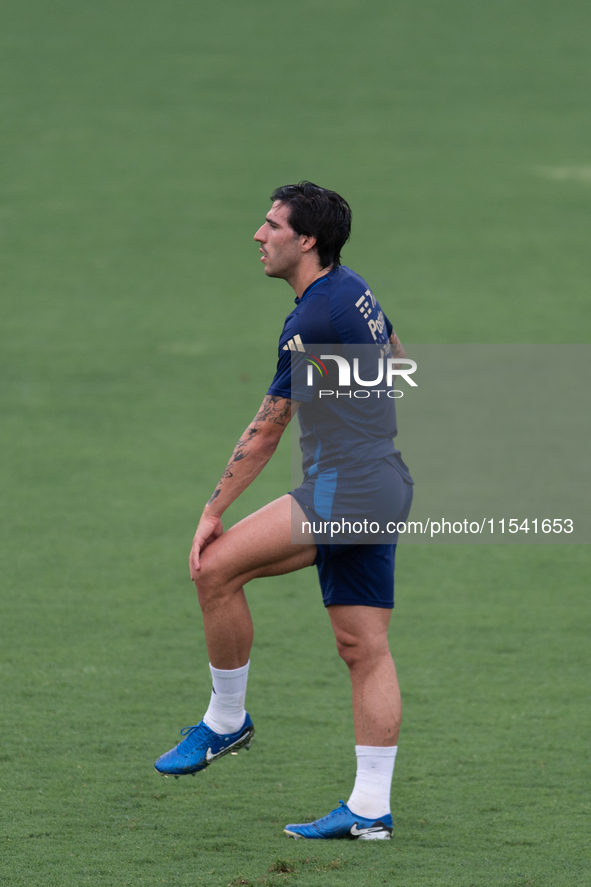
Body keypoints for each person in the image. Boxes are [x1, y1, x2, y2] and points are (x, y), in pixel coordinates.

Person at [155, 182, 414, 841]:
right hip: (383, 481)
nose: (257, 235)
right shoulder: (352, 289)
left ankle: (224, 720)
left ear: (306, 240)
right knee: (363, 646)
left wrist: (212, 508)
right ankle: (369, 809)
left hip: (347, 489)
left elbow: (268, 426)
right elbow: (398, 357)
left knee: (213, 567)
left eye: (270, 225)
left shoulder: (311, 318)